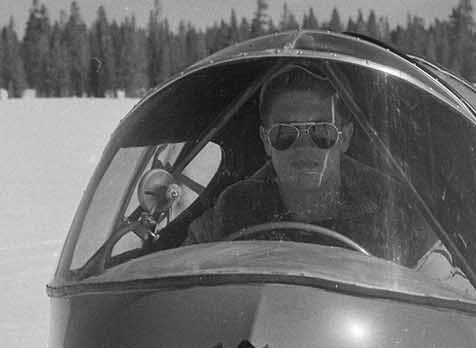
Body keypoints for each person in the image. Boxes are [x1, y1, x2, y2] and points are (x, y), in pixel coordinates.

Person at [184, 64, 440, 267]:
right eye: (285, 134)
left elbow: (443, 277)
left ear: (345, 137)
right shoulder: (233, 208)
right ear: (266, 141)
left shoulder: (391, 207)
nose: (304, 147)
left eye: (321, 132)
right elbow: (182, 265)